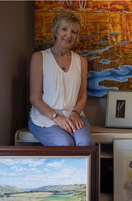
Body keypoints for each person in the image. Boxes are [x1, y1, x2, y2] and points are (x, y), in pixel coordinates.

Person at [28, 11, 93, 146]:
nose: (69, 35)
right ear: (56, 31)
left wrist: (75, 113)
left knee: (85, 142)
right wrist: (56, 117)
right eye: (64, 29)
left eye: (73, 32)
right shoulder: (39, 58)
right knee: (65, 144)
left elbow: (82, 96)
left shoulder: (81, 61)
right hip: (45, 118)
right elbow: (34, 98)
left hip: (74, 116)